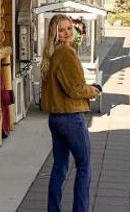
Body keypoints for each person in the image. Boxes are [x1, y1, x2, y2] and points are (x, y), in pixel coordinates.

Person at [41, 14, 101, 212]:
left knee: (60, 167)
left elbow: (64, 86)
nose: (66, 32)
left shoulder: (51, 54)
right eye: (61, 29)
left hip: (56, 118)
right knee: (84, 167)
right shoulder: (66, 53)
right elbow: (75, 89)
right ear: (54, 33)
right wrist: (94, 90)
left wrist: (86, 87)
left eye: (69, 28)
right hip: (71, 118)